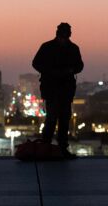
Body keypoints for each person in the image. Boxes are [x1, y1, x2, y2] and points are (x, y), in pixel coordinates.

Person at [32, 22, 84, 159]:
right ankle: (47, 147)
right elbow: (36, 63)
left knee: (64, 119)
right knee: (52, 119)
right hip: (52, 88)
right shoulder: (48, 47)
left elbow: (79, 65)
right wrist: (51, 72)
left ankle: (60, 148)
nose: (64, 39)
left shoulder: (72, 48)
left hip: (65, 89)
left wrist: (70, 70)